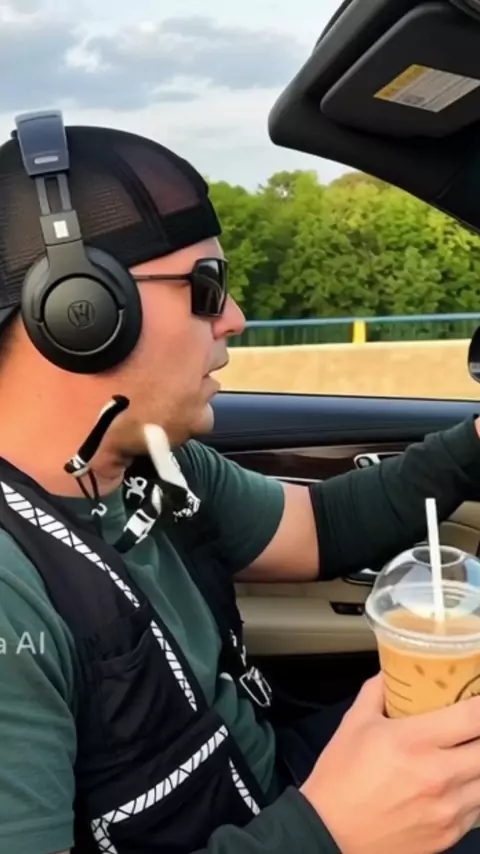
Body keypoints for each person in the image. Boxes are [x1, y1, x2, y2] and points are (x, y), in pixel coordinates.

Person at [0, 112, 480, 854]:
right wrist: (328, 833)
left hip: (269, 784)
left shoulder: (155, 462)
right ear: (79, 314)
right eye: (205, 287)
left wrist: (475, 442)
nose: (235, 318)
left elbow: (319, 528)